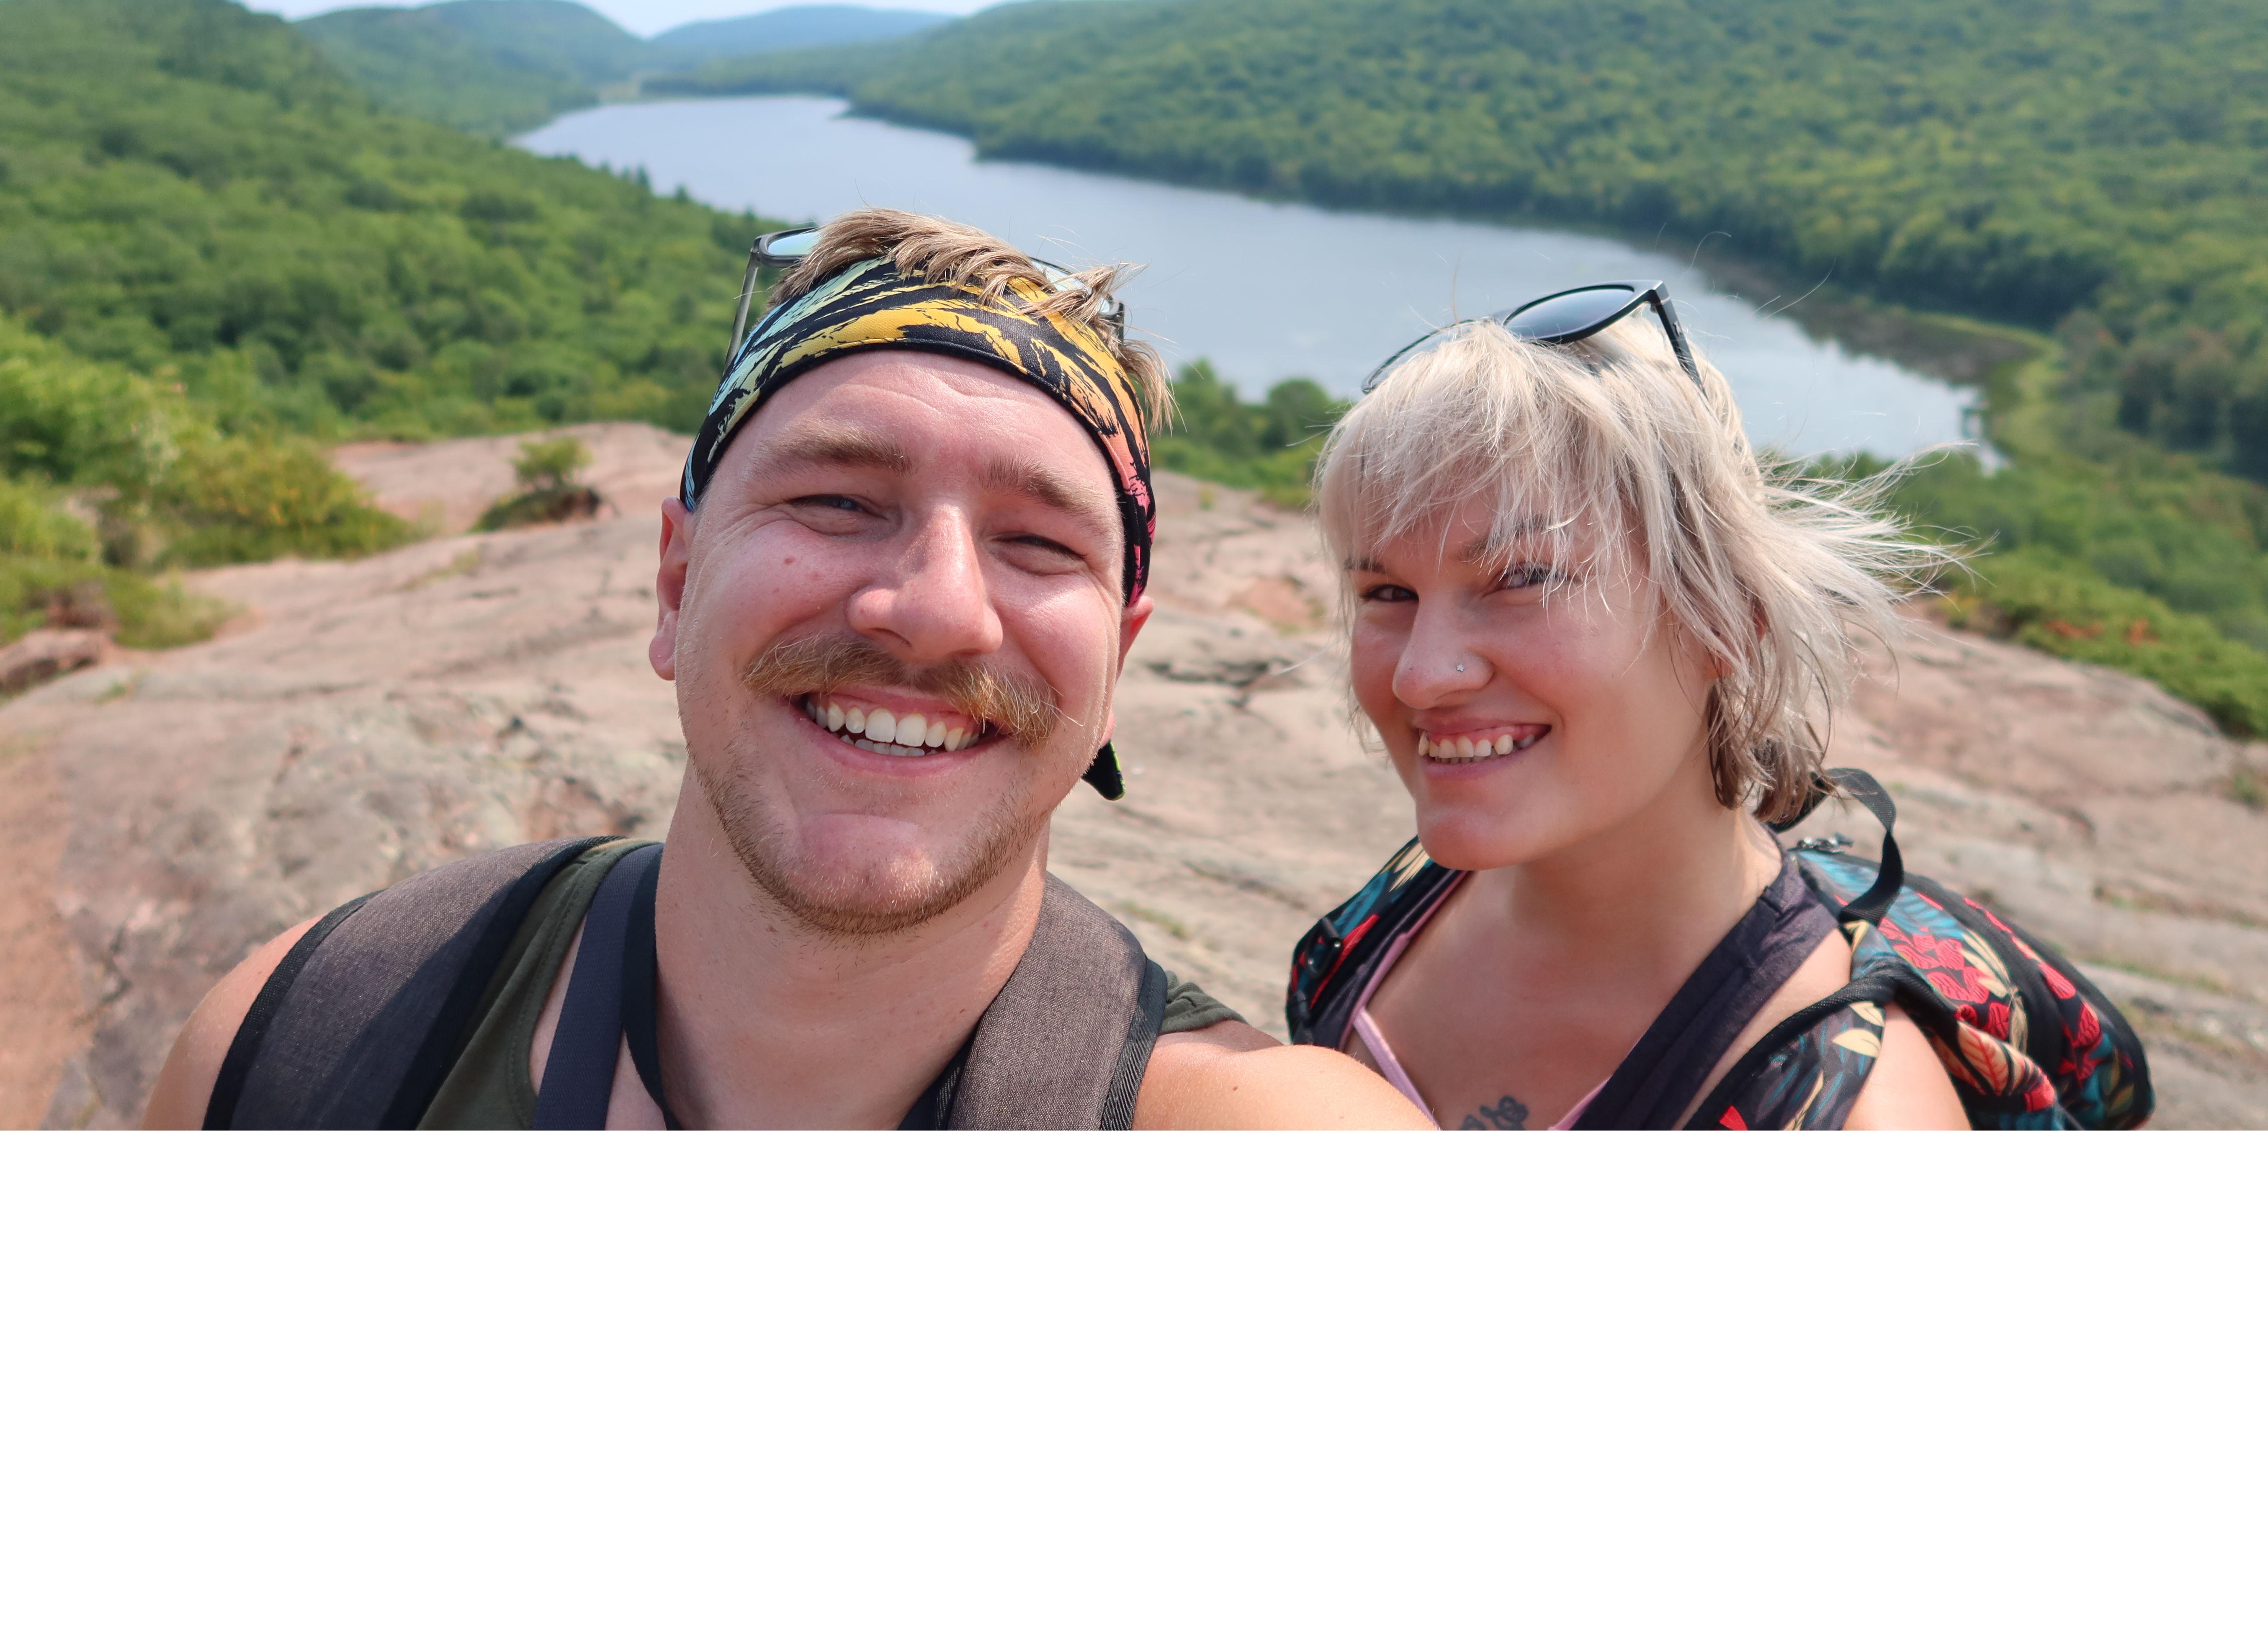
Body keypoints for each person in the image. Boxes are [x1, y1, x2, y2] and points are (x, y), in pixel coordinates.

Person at [148, 209, 1425, 1131]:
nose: (932, 611)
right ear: (674, 581)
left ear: (1119, 660)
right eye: (834, 501)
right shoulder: (299, 1046)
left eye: (1038, 542)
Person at [1285, 281, 1972, 1131]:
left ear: (1723, 621)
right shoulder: (1403, 910)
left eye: (1522, 579)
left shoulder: (1846, 1116)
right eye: (1387, 592)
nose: (1422, 678)